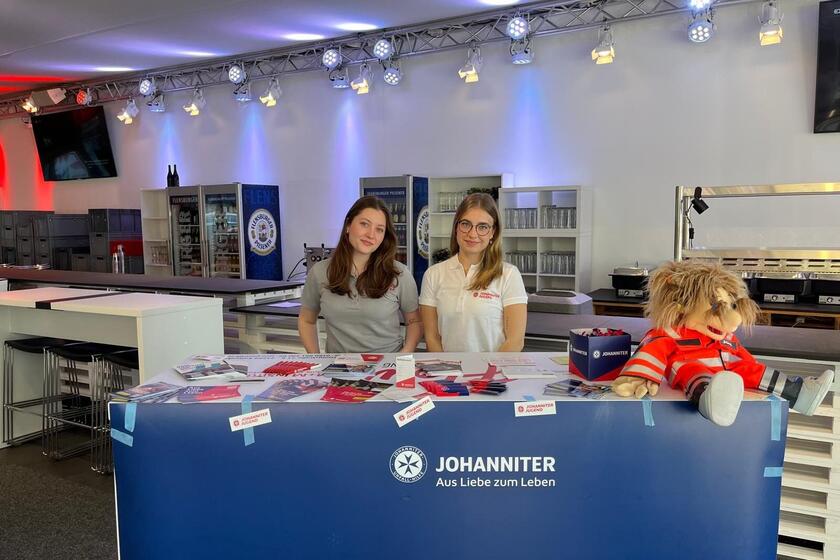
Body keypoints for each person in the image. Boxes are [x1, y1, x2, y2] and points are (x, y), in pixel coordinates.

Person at [298, 196, 422, 353]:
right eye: (364, 224)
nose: (371, 234)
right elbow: (306, 320)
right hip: (338, 369)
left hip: (386, 369)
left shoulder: (399, 274)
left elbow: (414, 321)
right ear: (349, 225)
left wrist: (402, 358)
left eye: (379, 229)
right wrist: (315, 358)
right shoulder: (320, 272)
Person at [419, 193, 528, 352]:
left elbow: (515, 341)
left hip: (493, 373)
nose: (472, 234)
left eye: (482, 227)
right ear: (456, 227)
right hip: (448, 373)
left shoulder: (509, 275)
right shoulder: (433, 275)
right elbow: (432, 338)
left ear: (493, 232)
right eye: (465, 224)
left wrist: (487, 375)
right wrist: (445, 372)